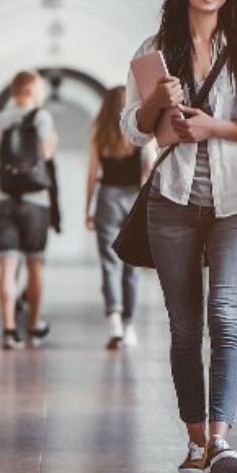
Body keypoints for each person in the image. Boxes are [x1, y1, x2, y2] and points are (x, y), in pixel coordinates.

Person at [120, 0, 237, 473]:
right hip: (173, 201)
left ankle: (220, 439)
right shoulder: (154, 49)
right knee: (186, 327)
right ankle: (194, 442)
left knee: (226, 317)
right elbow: (133, 132)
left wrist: (214, 127)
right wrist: (156, 101)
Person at [0, 71, 58, 349]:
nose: (42, 95)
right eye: (40, 89)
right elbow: (46, 155)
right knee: (34, 264)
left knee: (7, 265)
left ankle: (8, 330)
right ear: (29, 90)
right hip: (35, 200)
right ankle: (34, 326)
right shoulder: (42, 117)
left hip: (2, 199)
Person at [84, 86, 150, 349]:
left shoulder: (99, 135)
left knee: (109, 263)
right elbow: (150, 167)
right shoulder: (141, 132)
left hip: (107, 199)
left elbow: (91, 175)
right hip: (133, 198)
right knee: (131, 266)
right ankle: (130, 325)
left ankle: (114, 322)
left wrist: (87, 209)